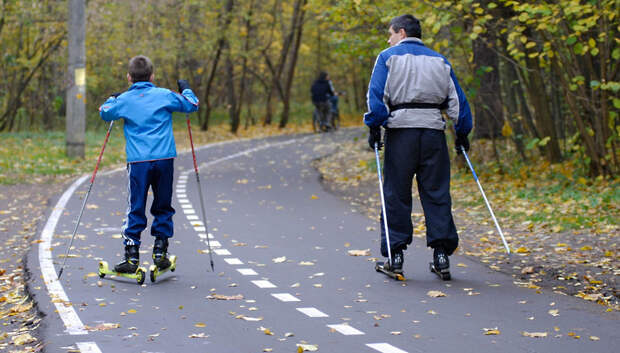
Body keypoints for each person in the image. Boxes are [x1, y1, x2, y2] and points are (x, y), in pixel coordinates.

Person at [364, 14, 473, 277]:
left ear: (401, 32)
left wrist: (374, 126)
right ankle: (441, 256)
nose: (388, 39)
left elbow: (376, 96)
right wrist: (462, 133)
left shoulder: (387, 57)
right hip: (433, 134)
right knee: (436, 193)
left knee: (396, 194)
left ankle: (395, 255)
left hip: (401, 134)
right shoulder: (440, 60)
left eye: (390, 33)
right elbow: (458, 101)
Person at [99, 55, 199, 274]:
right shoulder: (164, 95)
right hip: (164, 159)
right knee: (163, 204)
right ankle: (160, 251)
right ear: (152, 76)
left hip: (138, 162)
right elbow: (192, 105)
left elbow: (105, 113)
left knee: (136, 206)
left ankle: (131, 255)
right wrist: (186, 89)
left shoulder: (125, 99)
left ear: (129, 77)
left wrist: (111, 99)